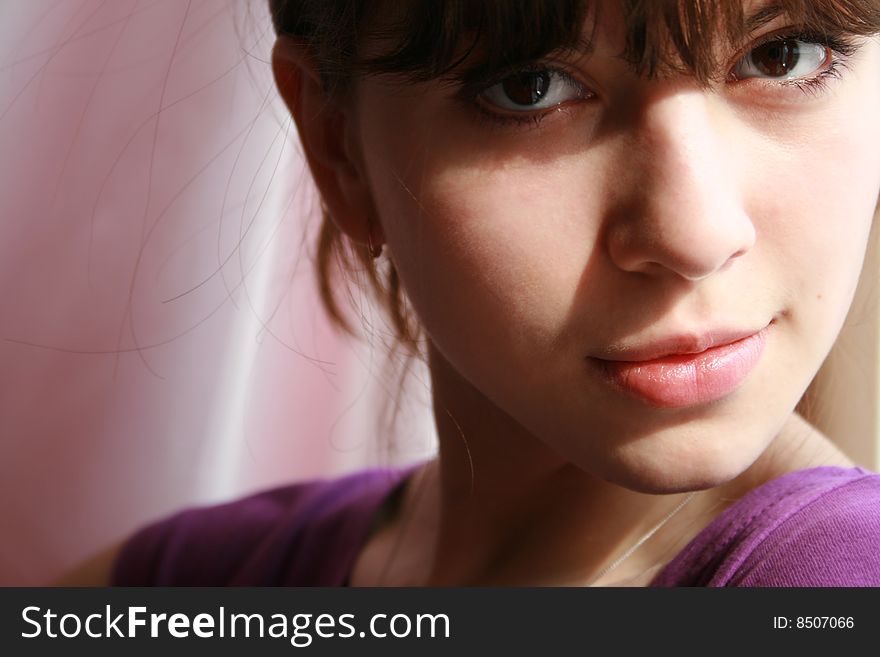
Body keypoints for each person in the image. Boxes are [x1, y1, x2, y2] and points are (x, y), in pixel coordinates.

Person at [59, 0, 880, 587]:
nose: (694, 235)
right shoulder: (209, 577)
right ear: (338, 148)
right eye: (531, 87)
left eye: (786, 54)